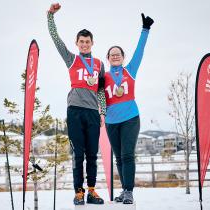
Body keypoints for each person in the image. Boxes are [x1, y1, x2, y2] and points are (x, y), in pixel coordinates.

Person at [47, 3, 106, 205]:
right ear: (77, 43)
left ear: (92, 43)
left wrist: (102, 112)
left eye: (87, 42)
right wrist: (50, 17)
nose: (84, 45)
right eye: (81, 42)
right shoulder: (71, 59)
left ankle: (91, 190)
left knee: (92, 154)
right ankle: (78, 192)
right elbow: (56, 40)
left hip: (92, 112)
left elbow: (101, 90)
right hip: (74, 111)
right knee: (77, 154)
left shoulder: (99, 64)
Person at [104, 14, 154, 204]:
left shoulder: (130, 71)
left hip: (130, 118)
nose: (115, 56)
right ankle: (124, 191)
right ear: (108, 58)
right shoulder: (104, 76)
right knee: (118, 158)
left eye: (118, 53)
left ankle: (129, 191)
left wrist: (145, 30)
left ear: (123, 57)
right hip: (110, 122)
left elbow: (140, 51)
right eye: (112, 54)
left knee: (127, 155)